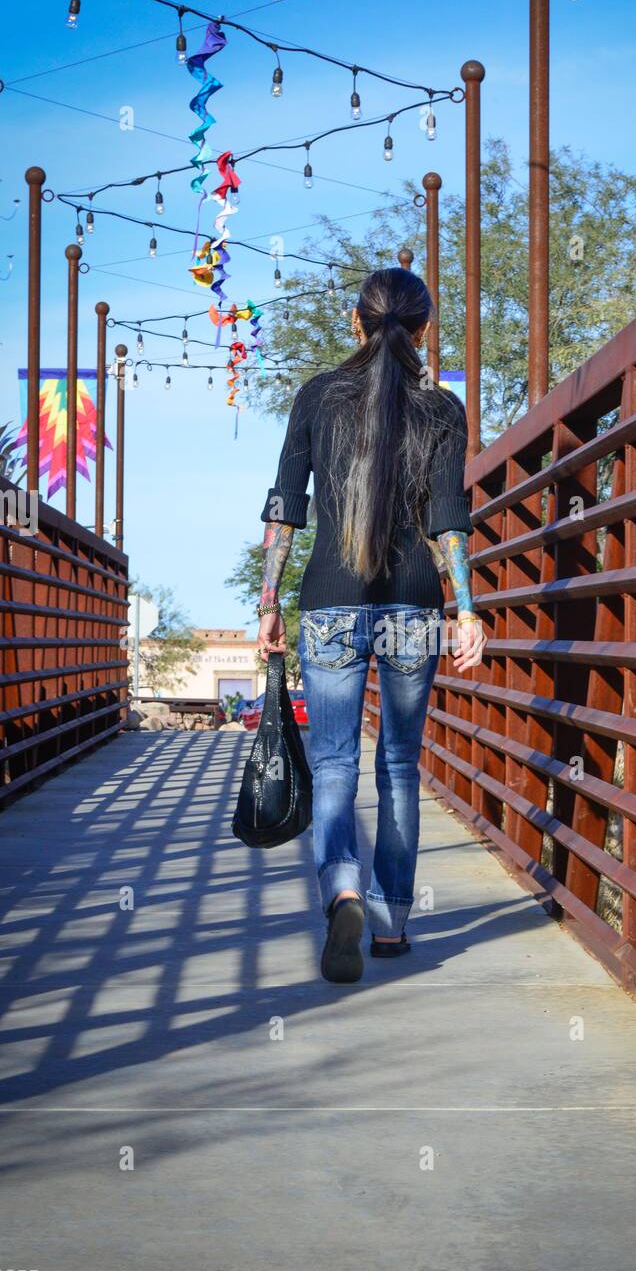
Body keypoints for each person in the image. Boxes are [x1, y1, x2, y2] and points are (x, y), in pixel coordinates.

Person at [257, 266, 486, 984]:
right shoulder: (442, 408)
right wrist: (468, 610)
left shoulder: (317, 397)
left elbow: (284, 509)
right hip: (414, 608)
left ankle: (343, 891)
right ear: (422, 330)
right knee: (397, 767)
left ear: (355, 323)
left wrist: (268, 603)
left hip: (328, 603)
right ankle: (391, 922)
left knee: (332, 766)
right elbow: (450, 518)